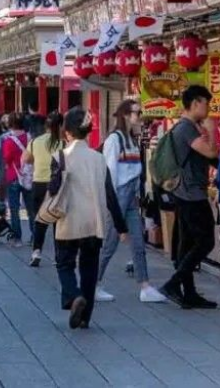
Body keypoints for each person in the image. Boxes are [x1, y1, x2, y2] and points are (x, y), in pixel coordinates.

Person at [51, 108, 127, 330]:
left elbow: (53, 189)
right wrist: (121, 226)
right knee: (89, 268)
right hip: (94, 221)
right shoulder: (98, 158)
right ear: (89, 131)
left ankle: (73, 297)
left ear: (67, 133)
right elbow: (110, 194)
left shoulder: (60, 157)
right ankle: (85, 317)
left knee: (64, 263)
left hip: (68, 220)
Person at [95, 99, 167, 304]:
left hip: (131, 195)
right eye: (136, 112)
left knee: (138, 241)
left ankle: (144, 286)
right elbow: (110, 173)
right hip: (118, 195)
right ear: (125, 115)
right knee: (109, 244)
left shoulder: (131, 139)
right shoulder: (115, 140)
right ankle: (94, 283)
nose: (139, 116)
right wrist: (113, 203)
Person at [159, 85, 220, 310]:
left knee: (187, 244)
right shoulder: (185, 128)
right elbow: (211, 153)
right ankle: (174, 284)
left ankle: (189, 293)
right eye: (206, 103)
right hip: (191, 193)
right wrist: (212, 132)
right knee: (206, 241)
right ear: (195, 103)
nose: (209, 108)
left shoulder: (187, 127)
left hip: (184, 192)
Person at [23, 111, 63, 267]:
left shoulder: (35, 141)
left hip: (39, 184)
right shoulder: (64, 143)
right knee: (57, 221)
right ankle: (58, 255)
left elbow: (26, 159)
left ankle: (36, 252)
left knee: (40, 219)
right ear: (60, 126)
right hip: (57, 185)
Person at [1, 113, 34, 248]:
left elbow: (7, 159)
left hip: (13, 176)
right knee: (31, 209)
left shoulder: (8, 140)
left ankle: (17, 237)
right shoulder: (30, 138)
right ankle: (34, 236)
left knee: (14, 209)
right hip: (29, 177)